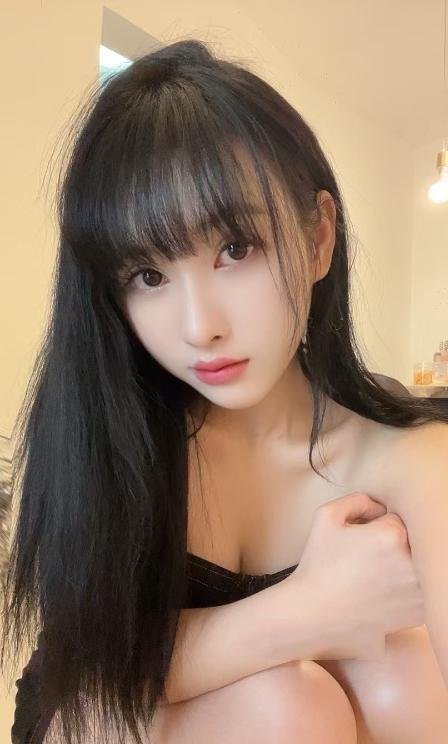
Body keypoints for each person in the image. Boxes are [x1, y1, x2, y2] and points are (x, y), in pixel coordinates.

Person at [2, 39, 448, 744]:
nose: (198, 327)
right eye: (148, 275)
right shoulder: (106, 438)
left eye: (236, 248)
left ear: (318, 238)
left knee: (401, 678)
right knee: (287, 708)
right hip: (81, 725)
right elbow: (78, 678)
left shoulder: (411, 458)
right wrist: (305, 610)